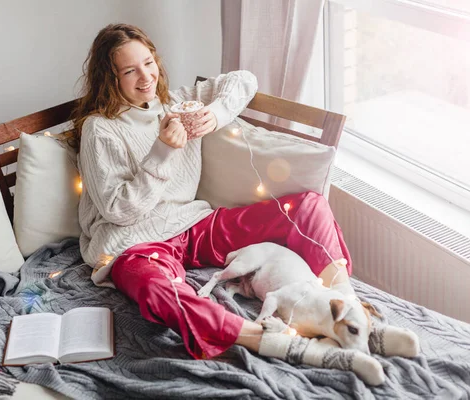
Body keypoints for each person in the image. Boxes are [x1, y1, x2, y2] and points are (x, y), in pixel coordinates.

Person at [71, 24, 417, 371]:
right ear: (110, 78)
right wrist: (162, 152)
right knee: (158, 292)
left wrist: (216, 114)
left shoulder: (176, 103)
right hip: (133, 243)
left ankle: (351, 311)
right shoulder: (100, 129)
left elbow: (244, 79)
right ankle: (275, 342)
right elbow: (118, 211)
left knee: (308, 206)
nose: (145, 77)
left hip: (194, 224)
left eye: (149, 63)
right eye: (130, 70)